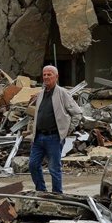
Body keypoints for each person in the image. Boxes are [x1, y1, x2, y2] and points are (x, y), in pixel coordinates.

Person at [29, 65, 82, 193]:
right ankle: (41, 191)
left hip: (54, 137)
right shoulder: (41, 94)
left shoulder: (62, 93)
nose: (46, 77)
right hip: (38, 137)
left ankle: (57, 195)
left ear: (56, 77)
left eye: (49, 74)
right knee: (33, 165)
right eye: (44, 74)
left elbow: (77, 113)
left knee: (54, 168)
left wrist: (66, 131)